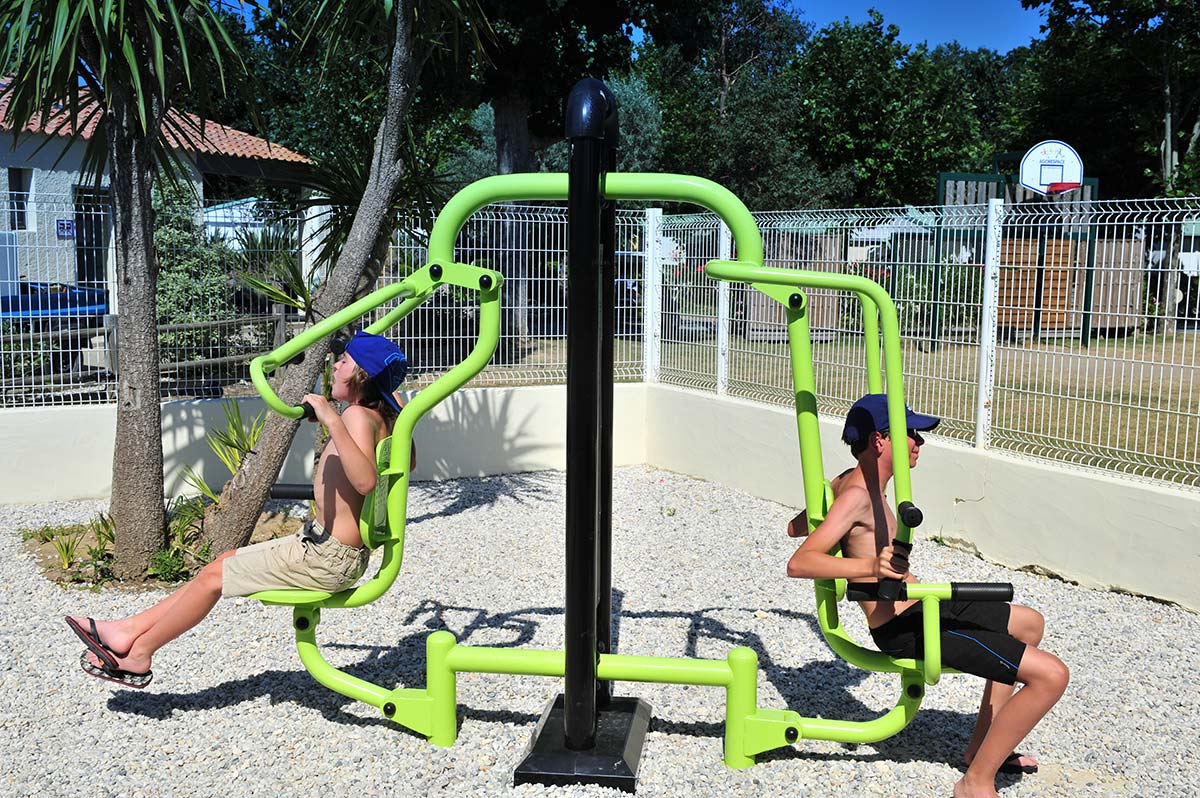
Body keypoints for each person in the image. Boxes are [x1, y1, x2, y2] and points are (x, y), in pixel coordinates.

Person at [66, 330, 411, 689]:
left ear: (362, 376)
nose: (336, 366)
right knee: (222, 562)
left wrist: (333, 420)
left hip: (327, 557)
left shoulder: (354, 416)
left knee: (214, 579)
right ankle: (126, 631)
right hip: (326, 549)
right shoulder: (378, 419)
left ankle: (139, 654)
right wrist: (395, 408)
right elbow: (407, 459)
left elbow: (366, 482)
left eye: (344, 362)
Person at [786, 394, 1069, 798]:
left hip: (920, 605)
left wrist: (815, 520)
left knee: (1029, 623)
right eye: (912, 434)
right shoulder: (858, 496)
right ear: (880, 441)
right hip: (906, 626)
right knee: (1051, 676)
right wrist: (870, 566)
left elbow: (798, 529)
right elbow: (800, 562)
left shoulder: (852, 480)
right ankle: (975, 784)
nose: (920, 442)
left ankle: (981, 749)